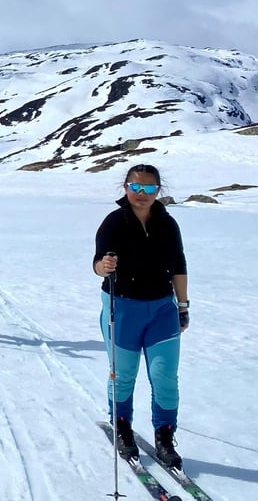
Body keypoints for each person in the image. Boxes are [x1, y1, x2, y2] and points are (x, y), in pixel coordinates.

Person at [93, 164, 188, 469]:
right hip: (122, 307)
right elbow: (98, 262)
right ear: (126, 188)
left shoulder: (167, 224)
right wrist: (103, 266)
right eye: (136, 187)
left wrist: (182, 306)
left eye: (149, 189)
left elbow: (178, 266)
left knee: (164, 377)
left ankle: (164, 435)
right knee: (122, 376)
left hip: (162, 308)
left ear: (158, 191)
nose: (142, 194)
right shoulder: (114, 222)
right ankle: (122, 429)